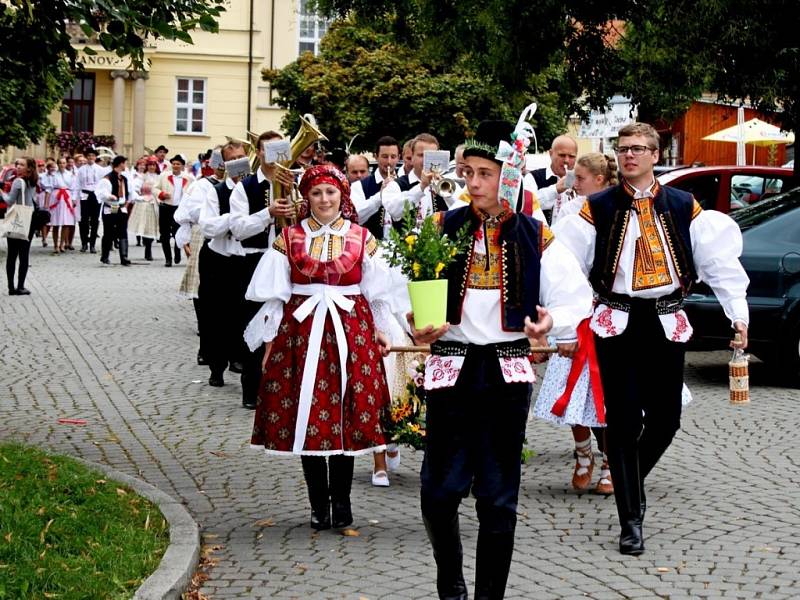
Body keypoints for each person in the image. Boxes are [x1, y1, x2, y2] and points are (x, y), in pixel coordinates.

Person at [411, 121, 592, 599]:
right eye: (467, 172)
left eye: (484, 174)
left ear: (507, 177)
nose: (473, 184)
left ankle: (490, 595)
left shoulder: (536, 236)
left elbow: (576, 298)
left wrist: (549, 323)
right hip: (451, 361)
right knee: (438, 490)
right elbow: (402, 291)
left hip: (507, 366)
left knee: (497, 496)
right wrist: (414, 320)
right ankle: (450, 582)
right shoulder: (442, 228)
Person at [554, 122, 749, 556]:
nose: (630, 156)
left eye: (639, 149)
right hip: (617, 321)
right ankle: (631, 519)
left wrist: (738, 312)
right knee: (622, 422)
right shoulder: (596, 208)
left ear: (655, 156)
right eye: (623, 149)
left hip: (666, 320)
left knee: (666, 419)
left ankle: (628, 479)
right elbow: (566, 267)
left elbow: (717, 262)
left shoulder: (684, 205)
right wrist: (565, 324)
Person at [245, 164, 394, 531]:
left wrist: (383, 330)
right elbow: (275, 298)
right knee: (306, 414)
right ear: (305, 198)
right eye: (316, 193)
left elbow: (377, 292)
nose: (324, 200)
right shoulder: (288, 238)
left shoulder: (362, 237)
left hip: (351, 330)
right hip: (300, 332)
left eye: (330, 192)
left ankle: (341, 503)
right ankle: (318, 504)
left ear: (342, 196)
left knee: (345, 411)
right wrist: (269, 342)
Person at [533, 152, 619, 496]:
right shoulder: (573, 215)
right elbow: (561, 272)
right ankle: (583, 455)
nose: (574, 184)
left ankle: (613, 462)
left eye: (580, 178)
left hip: (614, 313)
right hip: (579, 311)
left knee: (612, 394)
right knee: (571, 391)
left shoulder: (618, 209)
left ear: (599, 180)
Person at [229, 130, 296, 409]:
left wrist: (295, 203)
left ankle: (284, 388)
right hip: (255, 260)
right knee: (254, 324)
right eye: (268, 149)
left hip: (290, 260)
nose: (274, 155)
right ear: (258, 153)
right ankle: (251, 388)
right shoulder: (244, 187)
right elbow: (238, 228)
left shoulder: (295, 183)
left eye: (280, 149)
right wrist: (268, 213)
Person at [197, 142, 249, 387]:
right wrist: (234, 217)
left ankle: (238, 357)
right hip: (219, 258)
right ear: (224, 165)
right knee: (217, 314)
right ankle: (216, 367)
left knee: (242, 313)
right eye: (233, 159)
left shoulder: (253, 189)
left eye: (242, 157)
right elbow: (207, 226)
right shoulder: (215, 191)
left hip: (244, 258)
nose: (239, 163)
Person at [349, 135, 402, 240]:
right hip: (369, 247)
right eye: (384, 156)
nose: (389, 162)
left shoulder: (405, 183)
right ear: (376, 156)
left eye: (393, 156)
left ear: (399, 157)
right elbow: (355, 217)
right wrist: (380, 196)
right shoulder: (359, 186)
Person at [4, 157, 38, 295]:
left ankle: (12, 287)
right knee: (24, 254)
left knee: (12, 254)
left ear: (29, 168)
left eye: (21, 165)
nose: (17, 166)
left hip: (17, 219)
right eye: (17, 164)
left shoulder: (18, 182)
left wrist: (1, 193)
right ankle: (21, 286)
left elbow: (10, 201)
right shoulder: (33, 181)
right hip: (29, 218)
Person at [525, 135, 578, 220]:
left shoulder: (579, 179)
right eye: (562, 155)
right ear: (551, 154)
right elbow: (526, 205)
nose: (566, 160)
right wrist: (555, 189)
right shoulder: (533, 177)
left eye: (571, 156)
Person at [154, 154, 194, 266]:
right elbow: (155, 188)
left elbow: (192, 191)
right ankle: (168, 258)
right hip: (166, 207)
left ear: (182, 166)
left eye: (178, 164)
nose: (175, 166)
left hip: (180, 209)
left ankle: (177, 253)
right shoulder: (163, 175)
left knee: (178, 232)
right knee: (164, 234)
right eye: (174, 163)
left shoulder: (188, 178)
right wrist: (161, 194)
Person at [95, 155, 134, 266]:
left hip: (122, 207)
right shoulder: (107, 179)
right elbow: (101, 192)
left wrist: (133, 199)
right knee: (109, 231)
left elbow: (129, 192)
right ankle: (105, 256)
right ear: (120, 164)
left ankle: (124, 257)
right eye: (124, 163)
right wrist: (109, 196)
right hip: (112, 207)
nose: (125, 165)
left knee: (123, 231)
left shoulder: (124, 178)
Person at [128, 157, 161, 261]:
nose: (152, 167)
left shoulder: (160, 177)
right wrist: (140, 197)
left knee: (153, 226)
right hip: (144, 203)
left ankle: (149, 247)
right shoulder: (142, 177)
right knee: (146, 226)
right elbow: (134, 189)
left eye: (153, 165)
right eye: (150, 165)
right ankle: (147, 248)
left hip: (156, 203)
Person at [76, 149, 108, 253]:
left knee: (95, 220)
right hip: (85, 195)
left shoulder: (100, 169)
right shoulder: (81, 170)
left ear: (95, 157)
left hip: (96, 196)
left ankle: (92, 244)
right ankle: (84, 243)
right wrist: (75, 197)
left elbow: (103, 183)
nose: (90, 157)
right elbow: (78, 184)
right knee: (84, 220)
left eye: (93, 156)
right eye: (89, 155)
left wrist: (103, 195)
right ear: (86, 157)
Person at [48, 157, 77, 254]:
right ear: (57, 164)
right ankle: (55, 245)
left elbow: (73, 188)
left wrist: (73, 199)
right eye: (60, 163)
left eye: (64, 163)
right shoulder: (53, 175)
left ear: (66, 164)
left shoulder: (70, 175)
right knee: (56, 223)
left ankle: (62, 244)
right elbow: (50, 187)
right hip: (56, 196)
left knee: (66, 222)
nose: (62, 165)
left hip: (66, 196)